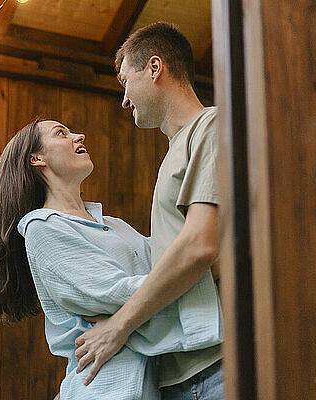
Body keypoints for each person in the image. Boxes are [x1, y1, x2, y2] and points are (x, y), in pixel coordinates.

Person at [0, 118, 222, 399]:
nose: (79, 135)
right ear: (36, 159)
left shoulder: (115, 226)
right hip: (101, 389)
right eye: (61, 134)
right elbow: (118, 292)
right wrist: (194, 266)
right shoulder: (43, 228)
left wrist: (120, 321)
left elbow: (166, 264)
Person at [73, 22, 224, 399]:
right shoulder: (174, 151)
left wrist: (118, 326)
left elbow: (199, 246)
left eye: (125, 81)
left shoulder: (212, 125)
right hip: (176, 372)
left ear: (155, 68)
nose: (124, 100)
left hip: (218, 365)